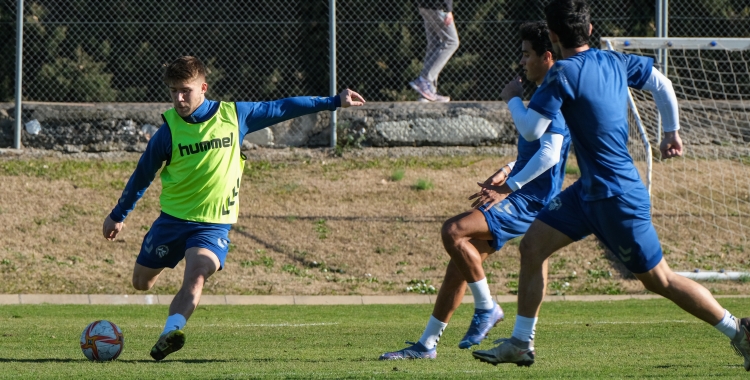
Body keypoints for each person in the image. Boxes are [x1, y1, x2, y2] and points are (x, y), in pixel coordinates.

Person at [472, 0, 750, 370]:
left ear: (553, 38)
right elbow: (662, 83)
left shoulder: (562, 73)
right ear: (589, 31)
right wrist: (671, 132)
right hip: (588, 192)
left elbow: (530, 129)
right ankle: (521, 343)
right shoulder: (614, 61)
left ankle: (740, 333)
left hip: (617, 196)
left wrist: (512, 100)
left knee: (660, 280)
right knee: (534, 246)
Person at [101, 56, 365, 361]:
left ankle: (169, 333)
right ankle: (164, 281)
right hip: (172, 221)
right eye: (173, 91)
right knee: (140, 282)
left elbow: (284, 106)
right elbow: (142, 176)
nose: (179, 98)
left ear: (203, 88)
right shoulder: (168, 132)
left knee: (197, 275)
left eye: (185, 90)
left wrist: (334, 101)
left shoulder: (234, 115)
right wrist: (118, 215)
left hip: (212, 225)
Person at [380, 21, 571, 360]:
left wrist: (509, 186)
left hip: (528, 200)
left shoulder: (553, 93)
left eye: (527, 55)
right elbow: (535, 150)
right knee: (460, 263)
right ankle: (426, 345)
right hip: (521, 191)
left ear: (547, 56)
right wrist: (507, 170)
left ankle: (487, 308)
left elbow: (550, 155)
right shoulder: (544, 93)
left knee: (452, 232)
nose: (522, 62)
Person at [408, 0, 459, 102]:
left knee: (435, 44)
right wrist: (448, 9)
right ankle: (425, 80)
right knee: (452, 42)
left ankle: (428, 92)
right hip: (438, 6)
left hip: (424, 5)